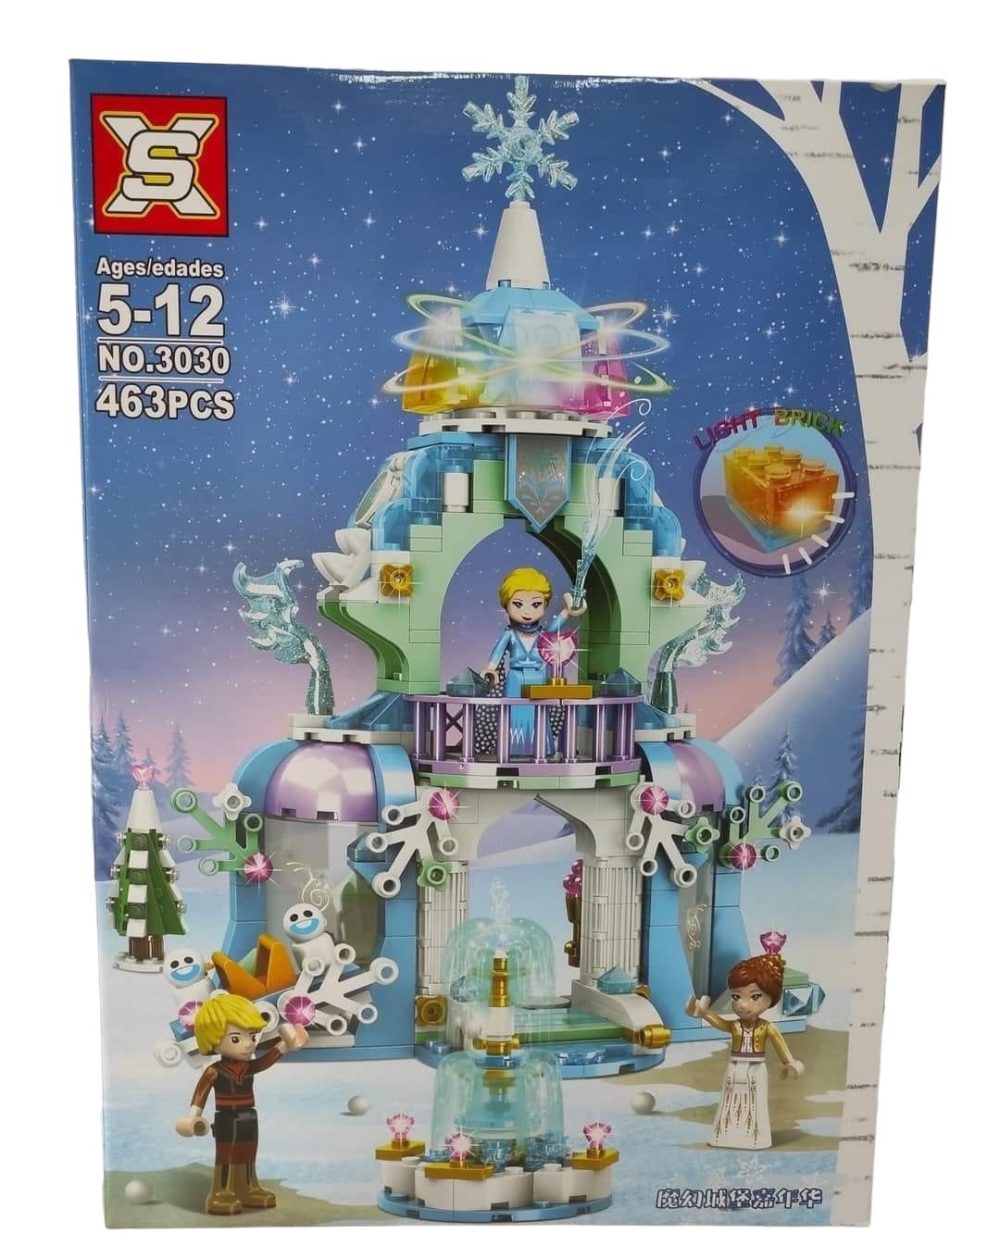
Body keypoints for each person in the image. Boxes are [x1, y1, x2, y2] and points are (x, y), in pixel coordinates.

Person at [175, 993, 309, 1214]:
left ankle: (248, 1188)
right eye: (236, 1039)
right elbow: (201, 1093)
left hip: (249, 1115)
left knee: (248, 1153)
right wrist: (192, 1117)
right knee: (226, 1155)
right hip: (226, 1118)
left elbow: (263, 1062)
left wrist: (286, 1044)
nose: (248, 1045)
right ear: (212, 1039)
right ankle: (220, 1193)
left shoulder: (247, 1067)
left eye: (252, 1037)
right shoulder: (214, 1071)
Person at [685, 950, 804, 1149]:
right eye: (736, 996)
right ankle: (724, 1137)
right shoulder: (736, 1025)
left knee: (753, 1104)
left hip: (756, 1069)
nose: (742, 1005)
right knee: (730, 1102)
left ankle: (754, 1140)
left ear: (771, 998)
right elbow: (721, 1024)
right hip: (734, 1067)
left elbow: (779, 1044)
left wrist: (789, 1062)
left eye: (754, 996)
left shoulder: (767, 1027)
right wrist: (704, 1013)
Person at [480, 567, 586, 756]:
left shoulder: (543, 634)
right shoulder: (509, 634)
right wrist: (490, 669)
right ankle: (511, 749)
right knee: (513, 714)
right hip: (515, 680)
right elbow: (497, 653)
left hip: (539, 678)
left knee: (539, 714)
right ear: (506, 605)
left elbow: (558, 623)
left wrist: (568, 611)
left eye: (536, 604)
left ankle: (540, 748)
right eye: (518, 604)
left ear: (544, 605)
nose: (527, 611)